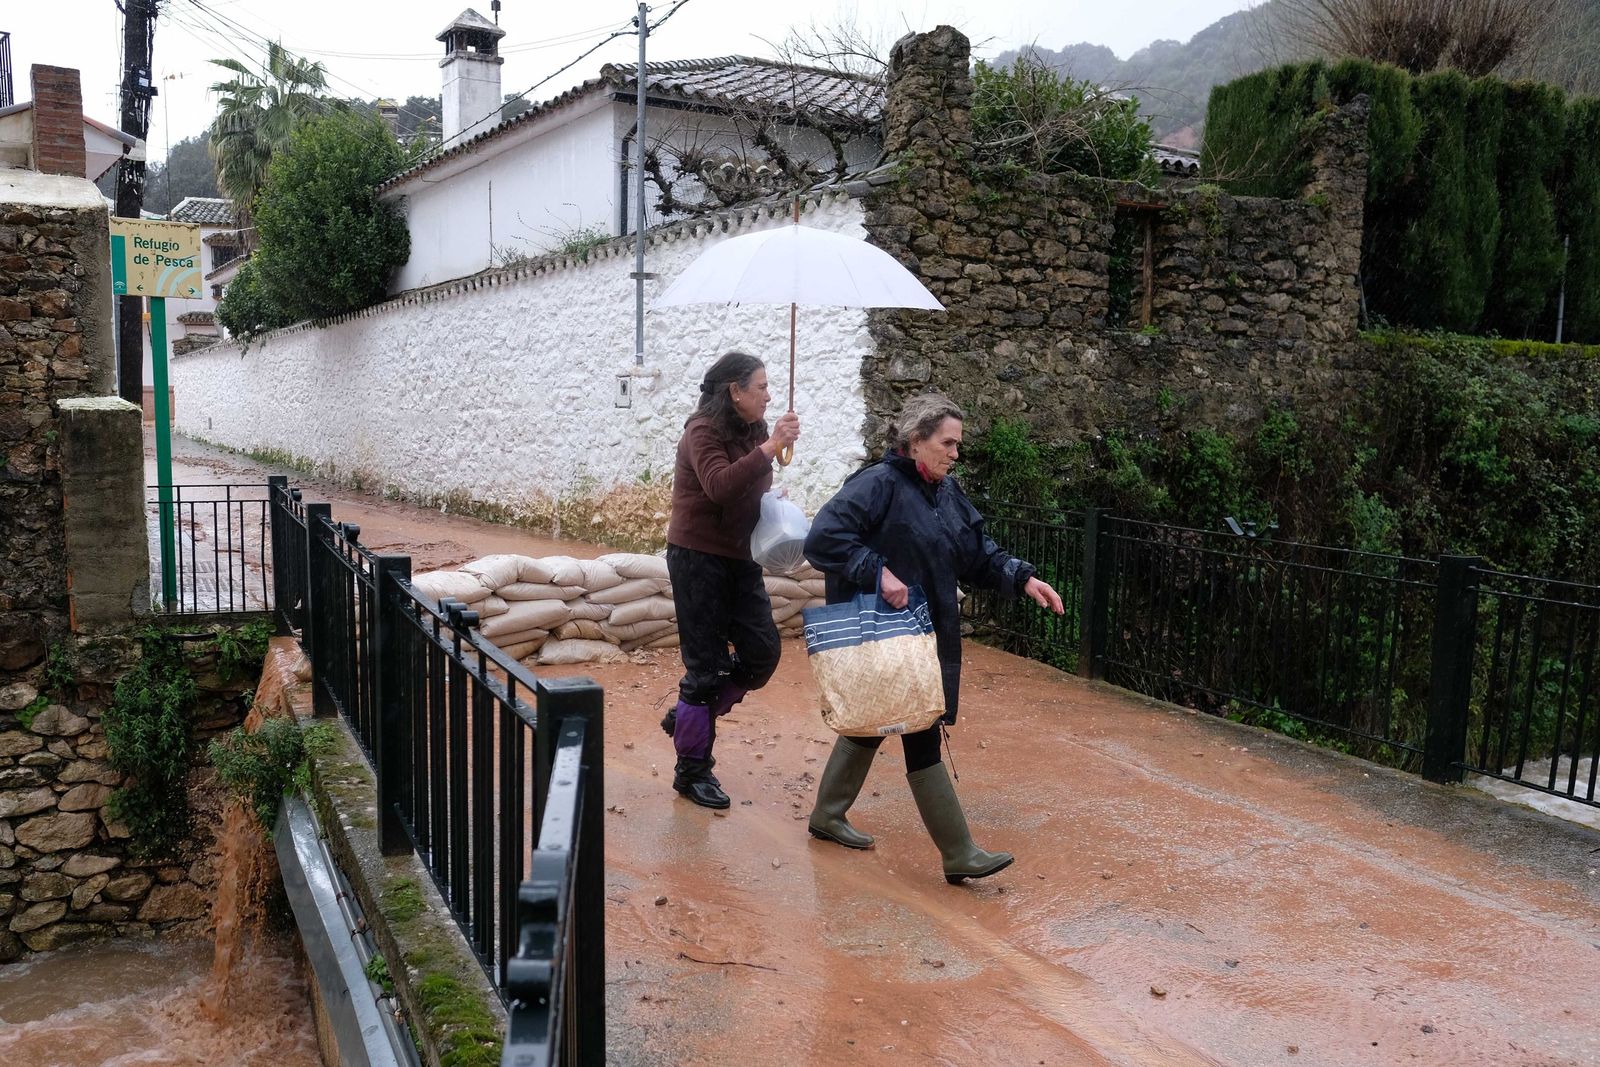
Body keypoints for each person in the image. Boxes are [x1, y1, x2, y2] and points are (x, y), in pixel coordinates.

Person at [802, 393, 1064, 882]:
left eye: (957, 445)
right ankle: (959, 853)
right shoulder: (876, 485)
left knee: (874, 718)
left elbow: (977, 554)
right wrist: (878, 573)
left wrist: (1024, 578)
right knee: (919, 729)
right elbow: (823, 539)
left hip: (925, 635)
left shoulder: (946, 492)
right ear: (916, 440)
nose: (955, 453)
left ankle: (827, 815)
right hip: (883, 634)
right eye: (947, 443)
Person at [661, 351, 801, 809]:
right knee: (705, 668)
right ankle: (693, 772)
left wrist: (775, 472)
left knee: (762, 653)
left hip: (740, 559)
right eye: (760, 387)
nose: (767, 395)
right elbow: (719, 485)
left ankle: (688, 718)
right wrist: (767, 449)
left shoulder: (754, 430)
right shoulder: (701, 431)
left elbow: (750, 484)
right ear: (734, 391)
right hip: (697, 558)